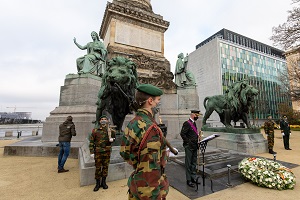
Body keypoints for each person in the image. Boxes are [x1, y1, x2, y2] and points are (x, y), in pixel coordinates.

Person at [120, 84, 169, 200]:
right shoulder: (151, 129)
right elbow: (150, 170)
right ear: (150, 101)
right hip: (148, 192)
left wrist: (138, 162)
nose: (159, 103)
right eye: (158, 100)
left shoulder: (133, 123)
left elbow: (124, 153)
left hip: (136, 185)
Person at [89, 115, 115, 191]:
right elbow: (91, 142)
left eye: (105, 119)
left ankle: (103, 182)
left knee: (105, 167)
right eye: (102, 119)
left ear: (107, 121)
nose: (103, 120)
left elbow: (114, 138)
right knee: (97, 168)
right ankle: (97, 183)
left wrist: (112, 139)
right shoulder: (95, 130)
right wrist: (91, 152)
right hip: (98, 152)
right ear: (100, 121)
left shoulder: (111, 130)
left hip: (107, 152)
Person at [180, 110, 201, 187]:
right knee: (188, 163)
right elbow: (182, 134)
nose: (197, 117)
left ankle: (193, 177)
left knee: (193, 162)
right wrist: (188, 142)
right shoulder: (187, 123)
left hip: (195, 145)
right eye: (196, 115)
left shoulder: (194, 123)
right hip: (189, 146)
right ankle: (188, 180)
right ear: (193, 115)